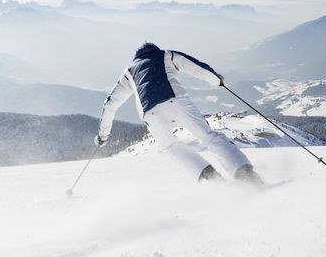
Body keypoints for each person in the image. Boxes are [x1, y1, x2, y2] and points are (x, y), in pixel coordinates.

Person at [95, 42, 262, 185]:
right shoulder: (166, 55)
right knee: (207, 136)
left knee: (170, 146)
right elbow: (196, 67)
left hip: (151, 113)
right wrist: (217, 80)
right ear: (153, 49)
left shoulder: (129, 72)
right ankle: (244, 172)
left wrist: (103, 135)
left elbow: (110, 104)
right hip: (176, 100)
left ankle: (209, 177)